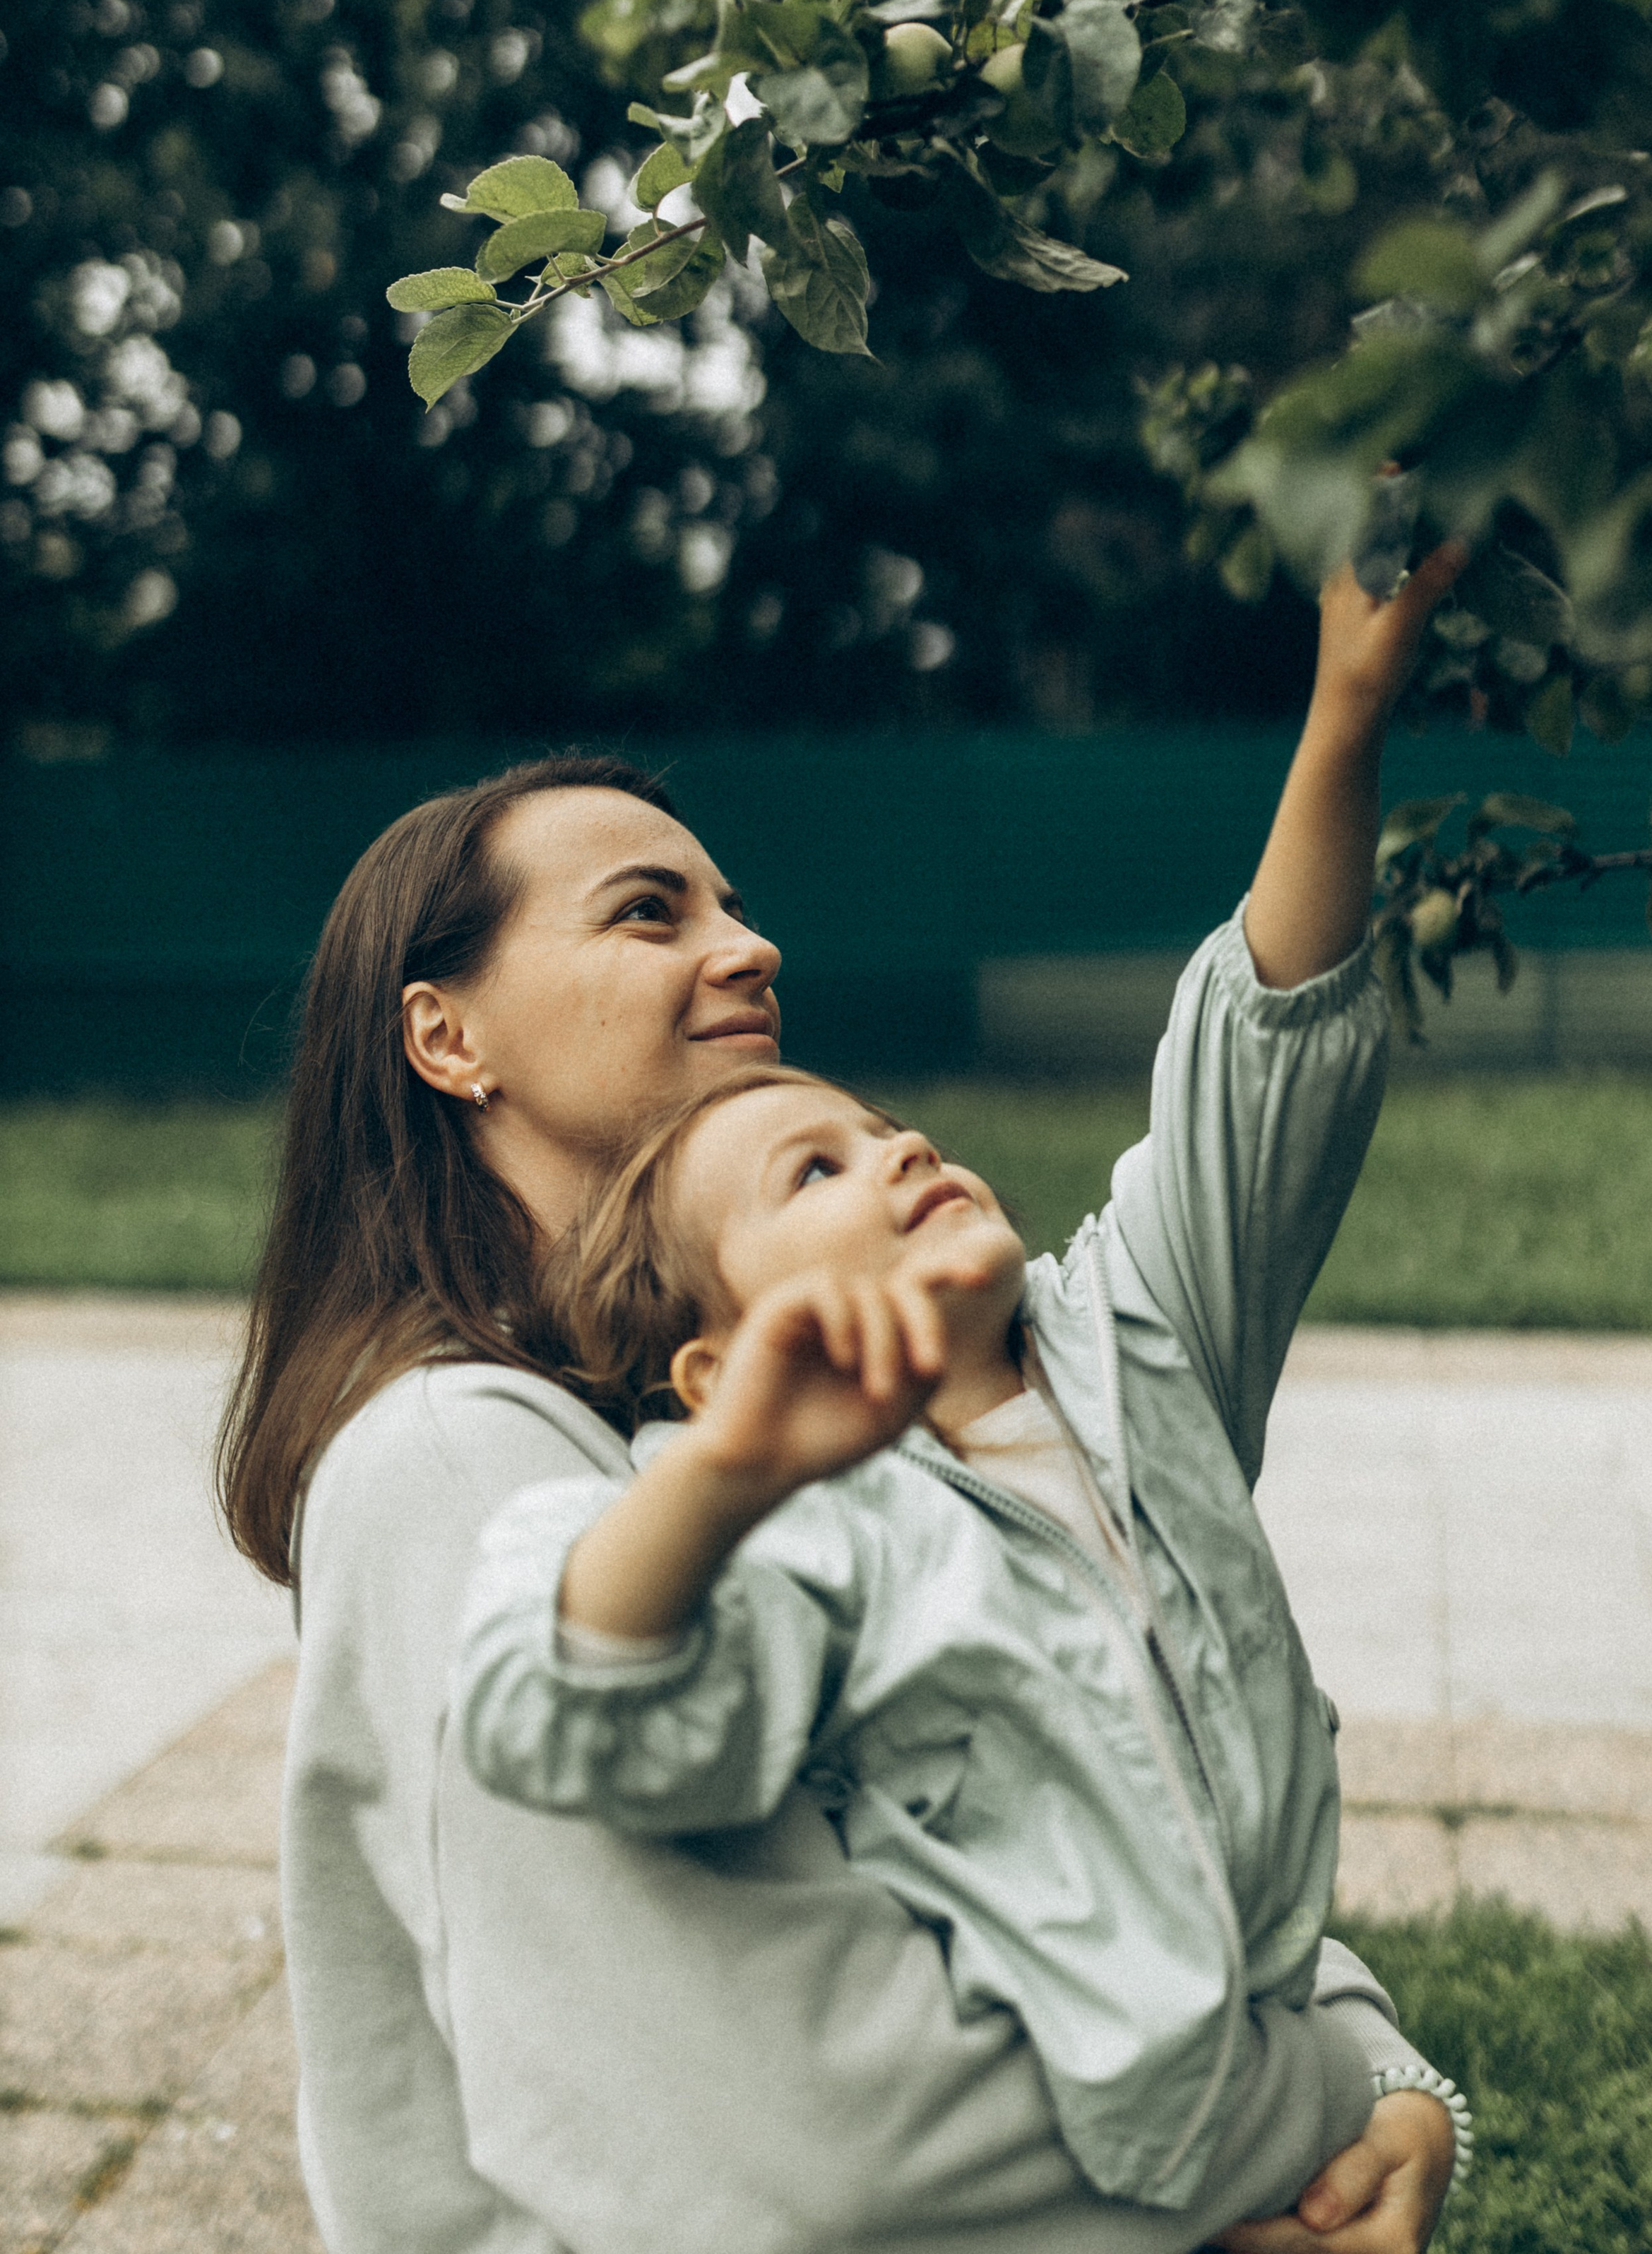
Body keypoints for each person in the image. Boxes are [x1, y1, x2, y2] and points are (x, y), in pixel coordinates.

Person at [219, 542, 1468, 2254]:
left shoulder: (864, 1406)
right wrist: (1321, 2099)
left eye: (732, 905)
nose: (752, 946)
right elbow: (812, 2141)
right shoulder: (457, 1462)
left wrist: (1360, 2032)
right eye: (651, 911)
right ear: (448, 1039)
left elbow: (1076, 1787)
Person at [456, 1038, 1477, 2226]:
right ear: (716, 1364)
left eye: (885, 1130)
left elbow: (1267, 1068)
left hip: (1258, 2113)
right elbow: (581, 1709)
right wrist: (730, 1472)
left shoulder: (1117, 1373)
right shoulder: (800, 1530)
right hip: (1058, 2179)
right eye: (815, 1173)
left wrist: (1384, 2068)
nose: (902, 1149)